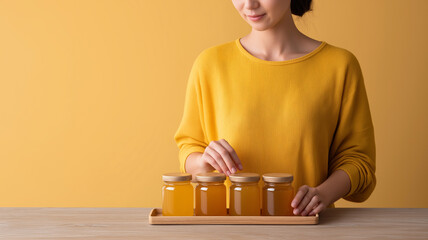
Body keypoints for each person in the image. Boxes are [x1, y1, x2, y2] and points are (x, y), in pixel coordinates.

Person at [174, 0, 376, 216]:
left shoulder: (340, 66)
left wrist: (322, 194)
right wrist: (204, 161)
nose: (249, 4)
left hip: (306, 228)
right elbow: (188, 148)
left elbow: (359, 162)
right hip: (229, 228)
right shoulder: (209, 65)